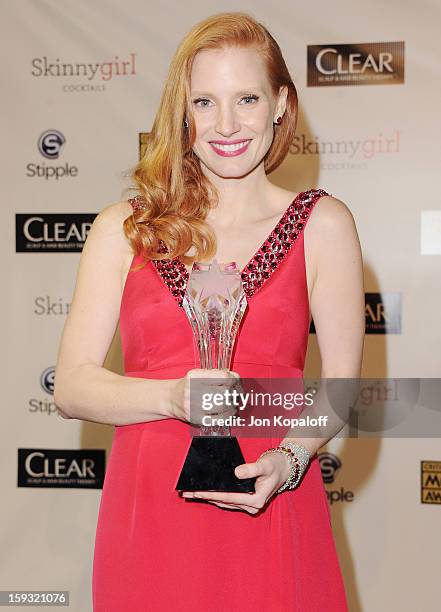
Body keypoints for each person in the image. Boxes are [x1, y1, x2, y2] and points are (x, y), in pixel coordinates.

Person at [54, 11, 364, 612]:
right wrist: (172, 398)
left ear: (280, 104)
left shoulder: (323, 225)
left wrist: (292, 459)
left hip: (271, 498)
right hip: (151, 520)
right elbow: (71, 386)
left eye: (246, 99)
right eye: (205, 102)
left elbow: (344, 386)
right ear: (184, 110)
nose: (226, 125)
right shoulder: (124, 229)